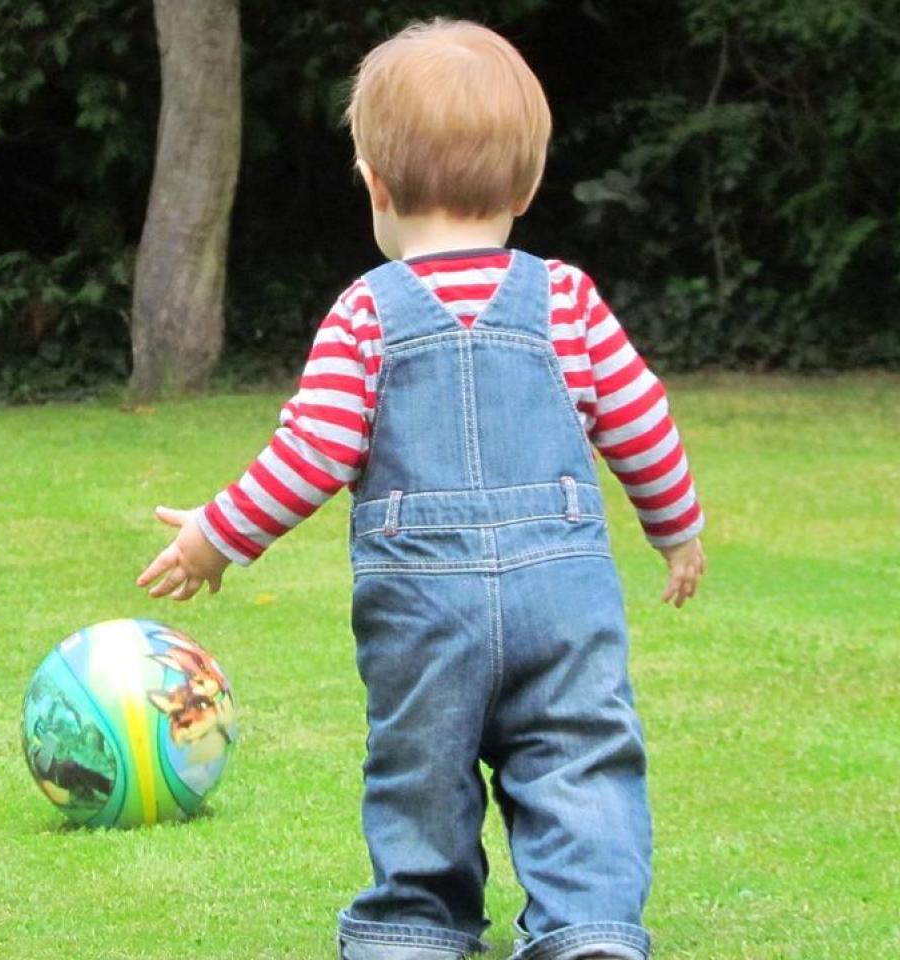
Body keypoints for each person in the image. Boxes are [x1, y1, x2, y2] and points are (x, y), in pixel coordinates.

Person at [136, 18, 706, 960]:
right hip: (562, 601)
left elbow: (309, 454)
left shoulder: (366, 313)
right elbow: (644, 423)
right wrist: (674, 529)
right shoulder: (566, 300)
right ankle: (590, 929)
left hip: (422, 609)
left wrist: (216, 535)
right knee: (580, 760)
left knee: (420, 768)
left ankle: (413, 927)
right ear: (525, 187)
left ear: (377, 185)